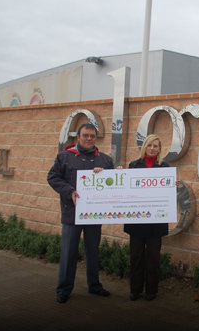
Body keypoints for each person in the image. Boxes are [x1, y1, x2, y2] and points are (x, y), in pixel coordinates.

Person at [47, 123, 113, 304]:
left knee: (93, 252)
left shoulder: (105, 160)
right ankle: (64, 289)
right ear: (79, 137)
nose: (89, 138)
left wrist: (115, 174)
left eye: (92, 136)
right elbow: (52, 178)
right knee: (69, 254)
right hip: (71, 215)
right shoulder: (64, 157)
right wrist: (69, 191)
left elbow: (114, 184)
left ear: (96, 138)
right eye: (85, 135)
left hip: (94, 215)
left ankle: (95, 286)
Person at [124, 134, 177, 301]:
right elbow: (126, 190)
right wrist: (119, 176)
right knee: (136, 256)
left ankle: (151, 291)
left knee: (154, 257)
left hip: (156, 221)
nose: (152, 149)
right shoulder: (133, 166)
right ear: (144, 147)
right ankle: (135, 290)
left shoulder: (165, 167)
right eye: (149, 145)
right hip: (136, 220)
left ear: (159, 149)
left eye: (156, 146)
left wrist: (172, 186)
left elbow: (167, 195)